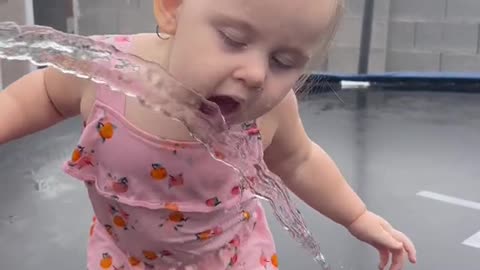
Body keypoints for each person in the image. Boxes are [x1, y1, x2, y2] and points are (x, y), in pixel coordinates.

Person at [0, 0, 417, 269]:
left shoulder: (271, 112)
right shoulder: (106, 72)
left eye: (284, 61)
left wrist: (357, 216)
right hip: (128, 258)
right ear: (173, 8)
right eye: (233, 40)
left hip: (229, 259)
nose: (255, 75)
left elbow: (299, 160)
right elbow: (40, 96)